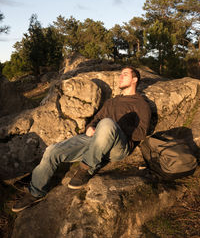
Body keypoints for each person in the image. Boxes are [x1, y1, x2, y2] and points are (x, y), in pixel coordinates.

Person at [12, 67, 151, 212]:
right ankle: (35, 191)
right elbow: (96, 119)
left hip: (119, 147)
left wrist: (113, 129)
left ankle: (86, 168)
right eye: (120, 74)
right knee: (52, 151)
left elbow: (141, 133)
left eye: (125, 74)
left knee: (107, 124)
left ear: (134, 80)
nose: (120, 76)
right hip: (96, 140)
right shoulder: (112, 102)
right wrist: (91, 127)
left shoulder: (141, 104)